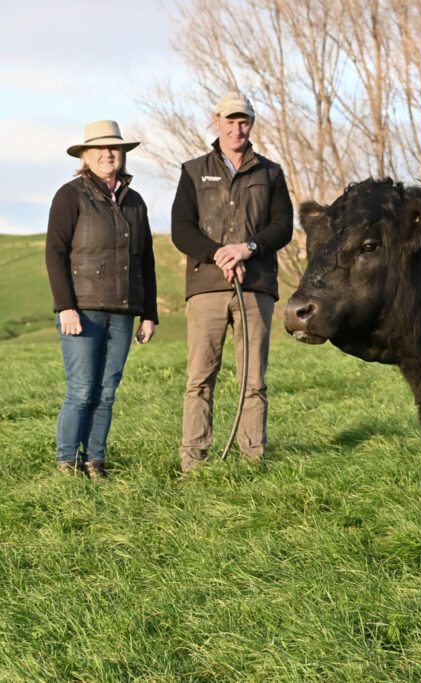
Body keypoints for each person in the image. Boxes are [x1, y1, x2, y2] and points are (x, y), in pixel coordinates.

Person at [171, 91, 293, 473]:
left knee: (253, 379)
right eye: (230, 120)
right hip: (206, 286)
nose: (237, 128)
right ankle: (194, 460)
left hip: (255, 286)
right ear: (216, 121)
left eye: (244, 121)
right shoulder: (193, 170)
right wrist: (219, 253)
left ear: (251, 124)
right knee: (200, 378)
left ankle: (252, 459)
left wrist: (248, 249)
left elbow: (283, 227)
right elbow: (181, 229)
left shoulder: (270, 172)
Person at [45, 120, 159, 479]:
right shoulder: (70, 194)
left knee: (107, 391)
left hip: (123, 311)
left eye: (115, 148)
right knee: (81, 389)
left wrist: (149, 313)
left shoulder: (135, 201)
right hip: (82, 309)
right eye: (100, 149)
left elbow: (146, 259)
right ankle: (67, 462)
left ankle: (95, 461)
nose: (109, 154)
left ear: (122, 154)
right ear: (85, 155)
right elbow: (55, 253)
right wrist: (66, 306)